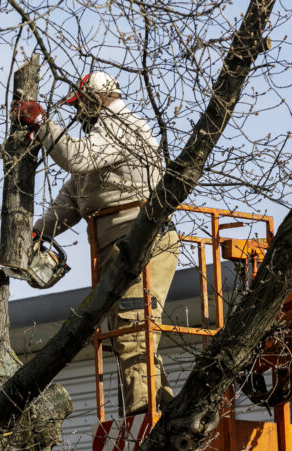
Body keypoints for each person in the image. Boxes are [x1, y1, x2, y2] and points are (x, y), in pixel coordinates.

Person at [15, 71, 180, 416]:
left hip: (141, 239)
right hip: (117, 244)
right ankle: (159, 405)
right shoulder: (100, 141)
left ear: (97, 99)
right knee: (129, 328)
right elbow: (71, 201)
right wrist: (36, 233)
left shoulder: (121, 126)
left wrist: (42, 124)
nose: (78, 114)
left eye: (81, 106)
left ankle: (144, 415)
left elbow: (76, 157)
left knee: (133, 327)